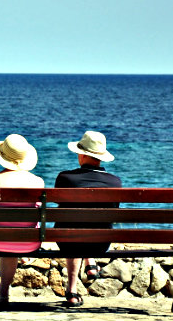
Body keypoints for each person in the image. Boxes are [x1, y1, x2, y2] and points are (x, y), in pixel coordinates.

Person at [55, 131, 121, 307]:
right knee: (88, 226)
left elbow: (59, 204)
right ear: (100, 157)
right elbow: (114, 211)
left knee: (73, 228)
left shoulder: (65, 178)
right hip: (100, 244)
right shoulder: (115, 183)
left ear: (82, 154)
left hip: (68, 241)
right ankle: (90, 262)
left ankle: (72, 290)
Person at [0, 134, 45, 309]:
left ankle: (3, 294)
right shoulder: (38, 182)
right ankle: (3, 292)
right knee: (15, 233)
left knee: (4, 232)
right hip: (29, 242)